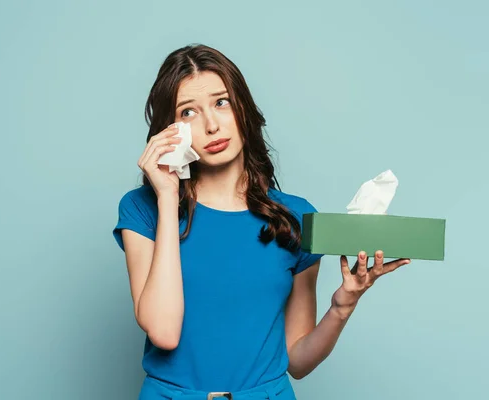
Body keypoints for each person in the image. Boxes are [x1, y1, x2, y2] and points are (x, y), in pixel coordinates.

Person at [112, 44, 410, 400]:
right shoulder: (143, 209)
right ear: (170, 130)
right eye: (188, 111)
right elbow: (163, 332)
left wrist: (342, 306)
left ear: (243, 107)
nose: (211, 125)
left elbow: (297, 360)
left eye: (221, 102)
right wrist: (165, 195)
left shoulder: (296, 217)